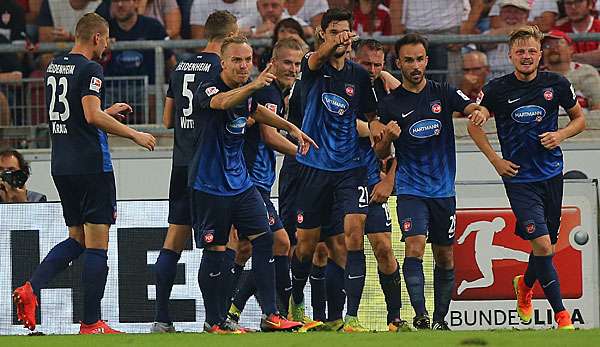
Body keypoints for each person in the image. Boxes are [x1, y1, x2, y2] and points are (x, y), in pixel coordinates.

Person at [12, 12, 156, 334]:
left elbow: (75, 113)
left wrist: (107, 112)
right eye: (105, 39)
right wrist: (133, 134)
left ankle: (31, 288)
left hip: (62, 164)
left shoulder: (55, 66)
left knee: (77, 238)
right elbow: (90, 117)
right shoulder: (92, 68)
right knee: (97, 246)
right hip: (91, 165)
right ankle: (91, 323)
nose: (107, 44)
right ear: (96, 38)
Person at [190, 35, 315, 333]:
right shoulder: (208, 86)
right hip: (210, 185)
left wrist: (294, 130)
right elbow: (222, 103)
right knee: (216, 251)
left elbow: (256, 111)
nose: (243, 65)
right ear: (223, 63)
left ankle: (272, 314)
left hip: (241, 183)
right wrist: (255, 85)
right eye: (236, 60)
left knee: (266, 239)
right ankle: (214, 320)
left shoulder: (248, 93)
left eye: (247, 60)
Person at [467, 25, 585, 330]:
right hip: (519, 179)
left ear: (540, 54)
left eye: (532, 50)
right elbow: (474, 124)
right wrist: (496, 160)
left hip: (551, 174)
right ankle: (562, 316)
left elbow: (580, 120)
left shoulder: (556, 84)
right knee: (544, 246)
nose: (526, 56)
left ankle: (525, 285)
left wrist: (560, 134)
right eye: (520, 51)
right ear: (510, 56)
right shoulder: (496, 89)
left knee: (544, 246)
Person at [374, 33, 489, 331]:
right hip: (411, 189)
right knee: (414, 246)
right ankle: (421, 316)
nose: (415, 65)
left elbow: (471, 107)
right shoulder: (389, 104)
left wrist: (478, 113)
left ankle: (440, 320)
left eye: (420, 59)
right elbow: (381, 153)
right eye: (408, 60)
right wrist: (388, 138)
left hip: (443, 190)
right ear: (398, 63)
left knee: (445, 254)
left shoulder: (443, 92)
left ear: (427, 60)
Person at [226, 38, 325, 331]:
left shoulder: (278, 93)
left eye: (297, 64)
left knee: (247, 248)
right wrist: (302, 152)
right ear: (272, 62)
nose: (293, 69)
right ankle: (272, 313)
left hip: (254, 182)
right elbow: (268, 136)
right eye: (287, 63)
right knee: (278, 242)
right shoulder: (268, 91)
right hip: (249, 182)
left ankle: (230, 313)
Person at [289, 8, 376, 333]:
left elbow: (371, 115)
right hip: (312, 169)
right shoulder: (313, 66)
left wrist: (383, 133)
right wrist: (331, 44)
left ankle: (351, 318)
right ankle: (296, 298)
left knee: (350, 238)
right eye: (335, 31)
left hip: (350, 170)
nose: (343, 36)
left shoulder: (357, 75)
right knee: (308, 245)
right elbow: (314, 58)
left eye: (346, 31)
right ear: (323, 34)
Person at [151, 10, 238, 334]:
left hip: (180, 163)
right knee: (221, 242)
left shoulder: (181, 66)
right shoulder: (222, 68)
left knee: (174, 238)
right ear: (230, 37)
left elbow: (166, 121)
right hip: (210, 167)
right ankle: (215, 318)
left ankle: (161, 318)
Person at [354, 38, 412, 332]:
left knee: (383, 248)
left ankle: (395, 316)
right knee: (332, 249)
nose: (373, 70)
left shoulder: (386, 92)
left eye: (378, 65)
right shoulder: (341, 84)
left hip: (371, 178)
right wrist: (374, 130)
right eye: (367, 64)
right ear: (354, 59)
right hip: (340, 180)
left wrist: (389, 179)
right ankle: (338, 317)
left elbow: (403, 143)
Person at [542, 30, 600, 111]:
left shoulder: (586, 72)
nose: (552, 48)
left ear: (571, 49)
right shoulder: (536, 77)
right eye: (546, 46)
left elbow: (597, 107)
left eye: (558, 43)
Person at [553, 0, 600, 67]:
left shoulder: (598, 26)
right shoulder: (558, 30)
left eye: (578, 1)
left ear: (590, 4)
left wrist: (567, 57)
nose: (573, 7)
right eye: (568, 3)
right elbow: (554, 58)